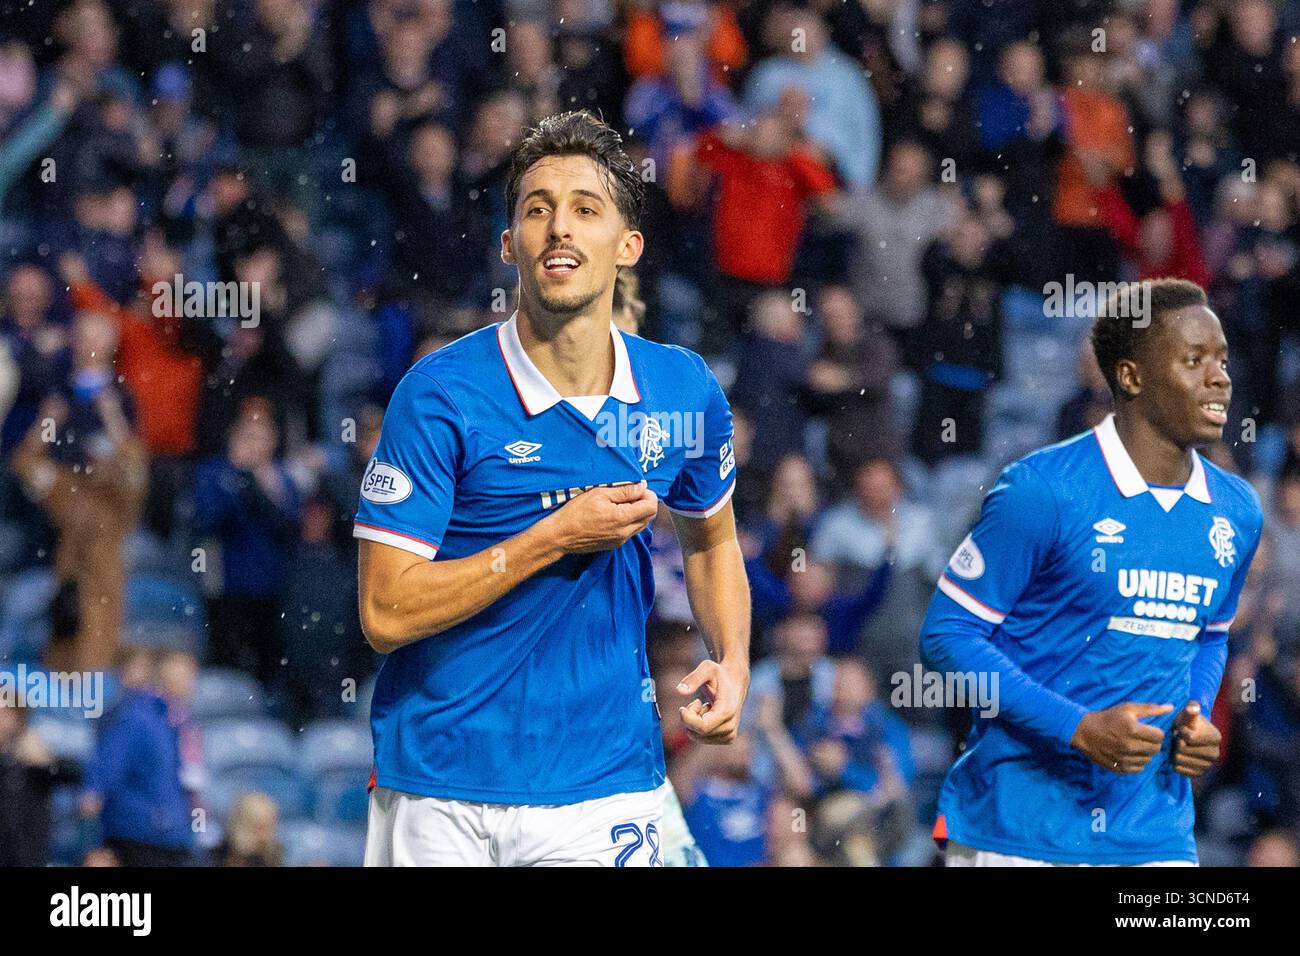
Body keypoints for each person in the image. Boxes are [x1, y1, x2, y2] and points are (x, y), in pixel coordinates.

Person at [355, 110, 751, 867]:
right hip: (441, 787)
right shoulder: (440, 395)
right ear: (511, 246)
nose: (558, 228)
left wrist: (731, 661)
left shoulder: (681, 389)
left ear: (627, 246)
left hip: (604, 785)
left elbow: (713, 536)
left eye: (585, 209)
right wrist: (554, 537)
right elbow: (383, 611)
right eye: (537, 210)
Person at [920, 278, 1264, 865]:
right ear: (1130, 377)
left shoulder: (1238, 510)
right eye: (1194, 360)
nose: (1220, 378)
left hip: (1154, 835)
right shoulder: (1043, 489)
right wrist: (1077, 728)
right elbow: (946, 637)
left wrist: (1197, 717)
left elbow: (1208, 636)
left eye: (1223, 360)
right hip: (1019, 830)